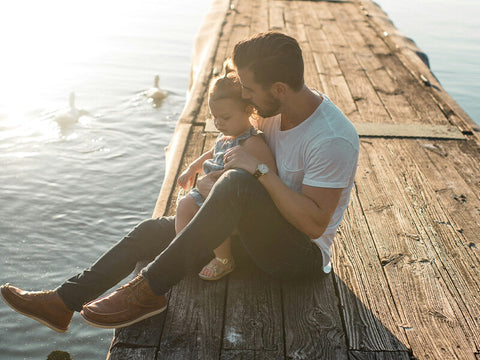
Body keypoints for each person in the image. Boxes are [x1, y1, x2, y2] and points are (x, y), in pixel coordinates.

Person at [0, 31, 359, 333]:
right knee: (150, 231)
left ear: (279, 89)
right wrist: (201, 163)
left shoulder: (331, 138)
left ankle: (149, 290)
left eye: (249, 89)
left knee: (236, 183)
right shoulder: (271, 113)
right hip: (251, 234)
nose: (244, 95)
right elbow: (237, 145)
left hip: (296, 256)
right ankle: (63, 302)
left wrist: (258, 173)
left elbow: (314, 225)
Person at [175, 61, 276, 281]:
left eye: (226, 117)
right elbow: (211, 153)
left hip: (229, 201)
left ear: (248, 110)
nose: (219, 123)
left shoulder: (252, 142)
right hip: (208, 189)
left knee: (213, 218)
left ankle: (224, 259)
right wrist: (193, 168)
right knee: (183, 206)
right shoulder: (226, 136)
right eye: (214, 117)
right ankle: (183, 251)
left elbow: (268, 175)